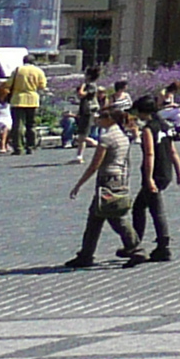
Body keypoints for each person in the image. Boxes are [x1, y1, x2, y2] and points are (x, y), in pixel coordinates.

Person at [64, 100, 142, 268]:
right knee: (97, 217)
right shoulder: (122, 136)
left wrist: (79, 184)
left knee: (114, 217)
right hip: (120, 177)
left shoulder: (106, 138)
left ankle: (135, 248)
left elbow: (95, 164)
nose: (97, 120)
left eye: (100, 117)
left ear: (109, 120)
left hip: (107, 180)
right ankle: (86, 254)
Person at [128, 92, 180, 264]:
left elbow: (150, 154)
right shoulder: (165, 126)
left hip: (155, 173)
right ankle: (142, 243)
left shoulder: (148, 129)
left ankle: (154, 245)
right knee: (142, 206)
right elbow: (173, 151)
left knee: (152, 209)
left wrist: (149, 178)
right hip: (166, 172)